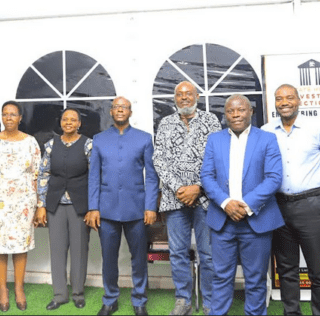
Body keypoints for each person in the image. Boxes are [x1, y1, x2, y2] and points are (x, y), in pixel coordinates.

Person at [262, 84, 320, 315]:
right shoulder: (266, 131)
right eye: (279, 98)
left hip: (311, 206)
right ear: (275, 103)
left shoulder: (318, 127)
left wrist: (314, 183)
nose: (284, 102)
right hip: (278, 207)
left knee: (319, 271)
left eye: (289, 97)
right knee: (286, 270)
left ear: (299, 100)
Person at [200, 94, 284, 315]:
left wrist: (245, 206)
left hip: (256, 220)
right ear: (225, 115)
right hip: (222, 221)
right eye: (230, 111)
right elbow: (206, 176)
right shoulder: (214, 140)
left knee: (255, 279)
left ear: (251, 112)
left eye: (241, 110)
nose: (236, 114)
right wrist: (226, 203)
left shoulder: (267, 139)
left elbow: (274, 177)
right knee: (221, 276)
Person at [85, 96, 159, 316]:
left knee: (139, 258)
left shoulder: (144, 138)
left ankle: (139, 300)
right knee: (109, 259)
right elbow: (93, 176)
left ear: (130, 112)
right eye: (116, 107)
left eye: (124, 107)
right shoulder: (99, 139)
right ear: (111, 111)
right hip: (106, 210)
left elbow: (151, 176)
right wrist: (93, 207)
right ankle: (110, 299)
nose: (120, 110)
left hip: (137, 210)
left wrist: (150, 206)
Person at [153, 81, 220, 315]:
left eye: (188, 94)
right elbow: (159, 159)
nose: (184, 98)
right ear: (175, 98)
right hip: (175, 199)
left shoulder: (211, 121)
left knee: (208, 253)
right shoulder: (165, 123)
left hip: (206, 199)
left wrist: (198, 188)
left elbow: (217, 157)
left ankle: (210, 302)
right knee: (178, 253)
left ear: (197, 96)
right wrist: (179, 188)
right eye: (179, 94)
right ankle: (183, 300)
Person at [0, 101, 41, 312]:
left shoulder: (30, 142)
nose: (9, 118)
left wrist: (39, 205)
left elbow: (37, 176)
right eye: (5, 114)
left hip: (24, 205)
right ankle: (3, 290)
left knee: (20, 247)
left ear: (20, 117)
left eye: (13, 114)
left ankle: (19, 289)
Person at [34, 108, 92, 311]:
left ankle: (78, 293)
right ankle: (59, 295)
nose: (68, 122)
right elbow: (43, 174)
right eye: (65, 119)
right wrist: (41, 205)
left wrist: (93, 207)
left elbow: (94, 176)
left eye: (73, 120)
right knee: (57, 250)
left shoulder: (88, 145)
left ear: (79, 124)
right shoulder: (51, 145)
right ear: (60, 123)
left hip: (80, 205)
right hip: (55, 204)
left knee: (79, 250)